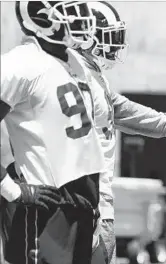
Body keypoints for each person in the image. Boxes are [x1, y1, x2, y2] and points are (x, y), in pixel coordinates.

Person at [75, 2, 166, 263]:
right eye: (109, 36)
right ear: (84, 36)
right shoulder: (75, 76)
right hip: (87, 203)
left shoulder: (93, 76)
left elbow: (124, 111)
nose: (115, 44)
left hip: (95, 203)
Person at [0, 2, 107, 263]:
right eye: (67, 9)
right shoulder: (20, 63)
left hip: (82, 203)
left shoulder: (73, 61)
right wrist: (10, 189)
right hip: (46, 206)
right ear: (41, 17)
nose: (79, 16)